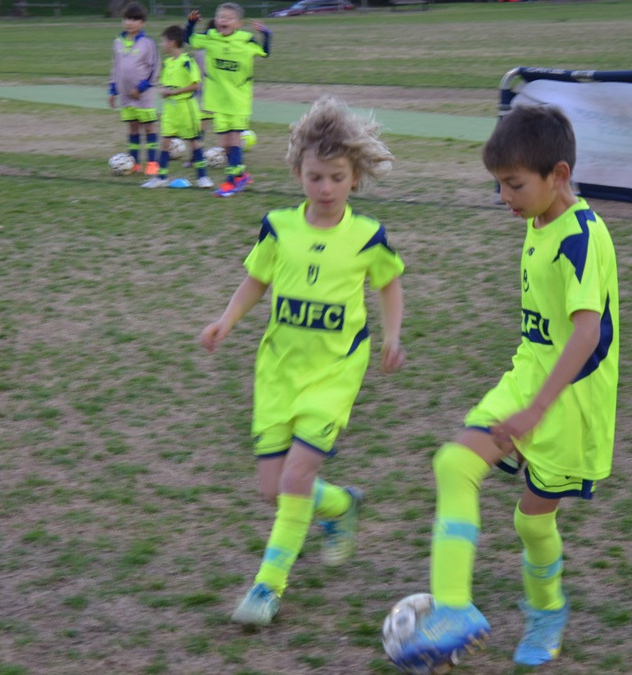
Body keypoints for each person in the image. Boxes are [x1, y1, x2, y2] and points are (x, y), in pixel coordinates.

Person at [391, 104, 620, 670]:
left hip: (569, 404)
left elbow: (587, 334)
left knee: (532, 520)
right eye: (498, 185)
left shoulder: (582, 238)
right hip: (526, 378)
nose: (504, 198)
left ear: (558, 176)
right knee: (453, 464)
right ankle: (454, 609)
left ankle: (547, 611)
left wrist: (536, 412)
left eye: (514, 185)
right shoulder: (538, 221)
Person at [198, 96, 406, 626]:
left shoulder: (367, 236)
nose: (326, 188)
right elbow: (256, 280)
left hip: (335, 374)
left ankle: (267, 588)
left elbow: (389, 284)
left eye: (337, 177)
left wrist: (391, 334)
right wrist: (227, 320)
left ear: (354, 178)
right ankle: (340, 505)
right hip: (278, 372)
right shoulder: (278, 228)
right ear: (297, 173)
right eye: (315, 176)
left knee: (294, 479)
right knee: (274, 489)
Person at [184, 4, 271, 197]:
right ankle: (241, 174)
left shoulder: (246, 41)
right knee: (224, 145)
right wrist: (190, 24)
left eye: (229, 17)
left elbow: (265, 52)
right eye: (220, 16)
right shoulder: (211, 38)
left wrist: (267, 34)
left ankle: (231, 182)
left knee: (234, 140)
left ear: (238, 24)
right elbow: (190, 40)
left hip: (238, 101)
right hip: (218, 101)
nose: (223, 20)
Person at [142, 25, 213, 189]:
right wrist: (164, 91)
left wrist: (175, 92)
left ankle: (203, 178)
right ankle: (161, 177)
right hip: (170, 109)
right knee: (165, 143)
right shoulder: (168, 63)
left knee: (194, 142)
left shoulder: (187, 62)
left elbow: (196, 84)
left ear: (172, 42)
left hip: (186, 108)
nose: (162, 45)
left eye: (164, 41)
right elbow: (166, 84)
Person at [108, 2, 160, 175]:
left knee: (148, 128)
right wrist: (113, 90)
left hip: (142, 96)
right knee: (132, 128)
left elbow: (154, 68)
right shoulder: (117, 42)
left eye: (134, 19)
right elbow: (116, 67)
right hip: (125, 96)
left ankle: (152, 163)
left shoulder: (147, 43)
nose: (129, 23)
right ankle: (134, 162)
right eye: (127, 19)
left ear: (142, 23)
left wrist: (141, 88)